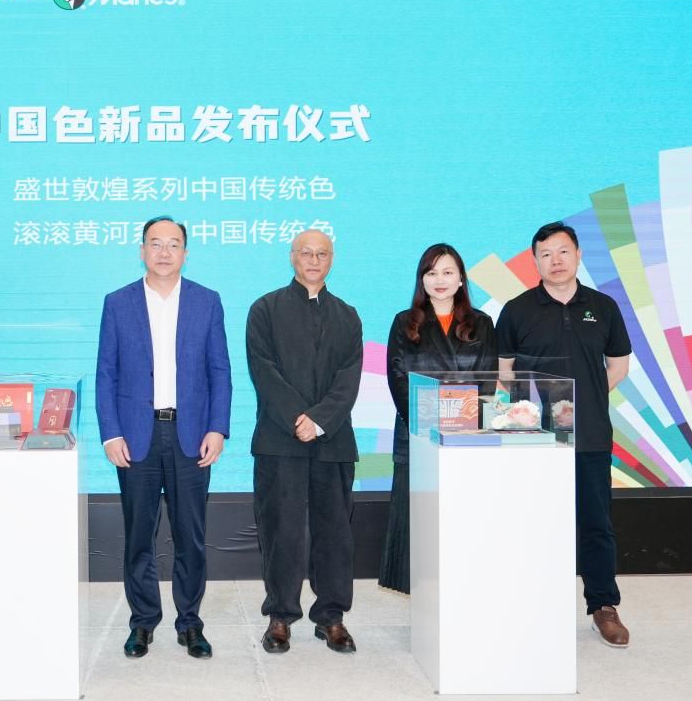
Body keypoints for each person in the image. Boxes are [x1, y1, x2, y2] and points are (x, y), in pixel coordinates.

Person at [96, 216, 232, 660]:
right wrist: (110, 433)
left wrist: (218, 427)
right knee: (139, 534)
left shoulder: (207, 301)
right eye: (155, 243)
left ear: (185, 254)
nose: (164, 252)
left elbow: (220, 371)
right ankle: (142, 622)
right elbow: (106, 373)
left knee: (190, 535)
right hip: (137, 435)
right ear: (142, 250)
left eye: (174, 244)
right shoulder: (118, 302)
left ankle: (190, 623)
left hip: (191, 434)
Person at [496, 222, 633, 647]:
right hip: (534, 439)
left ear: (578, 255)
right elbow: (504, 373)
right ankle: (530, 606)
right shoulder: (517, 310)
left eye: (563, 252)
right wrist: (534, 411)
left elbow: (619, 365)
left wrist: (582, 399)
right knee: (532, 524)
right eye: (546, 254)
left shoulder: (603, 307)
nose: (555, 261)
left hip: (590, 436)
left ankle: (603, 606)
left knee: (596, 524)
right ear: (535, 261)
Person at [246, 229, 363, 654]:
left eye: (322, 254)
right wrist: (299, 418)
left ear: (332, 259)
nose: (314, 260)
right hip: (280, 440)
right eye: (306, 253)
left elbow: (349, 378)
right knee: (282, 531)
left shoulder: (348, 315)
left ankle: (331, 617)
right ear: (292, 257)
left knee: (335, 533)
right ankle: (280, 616)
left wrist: (320, 420)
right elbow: (264, 371)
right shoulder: (265, 309)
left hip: (333, 441)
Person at [381, 243, 497, 594]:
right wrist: (427, 422)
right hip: (417, 436)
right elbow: (397, 377)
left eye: (448, 272)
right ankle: (421, 593)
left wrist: (460, 422)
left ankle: (464, 590)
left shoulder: (482, 323)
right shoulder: (405, 322)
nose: (440, 280)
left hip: (466, 437)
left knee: (462, 520)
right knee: (417, 521)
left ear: (461, 279)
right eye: (431, 273)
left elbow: (487, 380)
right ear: (422, 280)